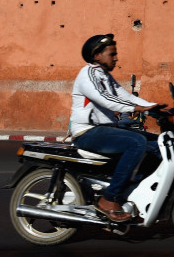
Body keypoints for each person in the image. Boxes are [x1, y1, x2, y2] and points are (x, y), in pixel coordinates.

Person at [69, 34, 164, 222]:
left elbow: (126, 96)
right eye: (112, 54)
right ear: (97, 55)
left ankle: (133, 189)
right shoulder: (87, 75)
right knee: (137, 142)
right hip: (88, 132)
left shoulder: (104, 76)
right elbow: (106, 99)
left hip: (105, 130)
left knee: (158, 143)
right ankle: (109, 199)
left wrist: (155, 107)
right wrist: (138, 108)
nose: (116, 58)